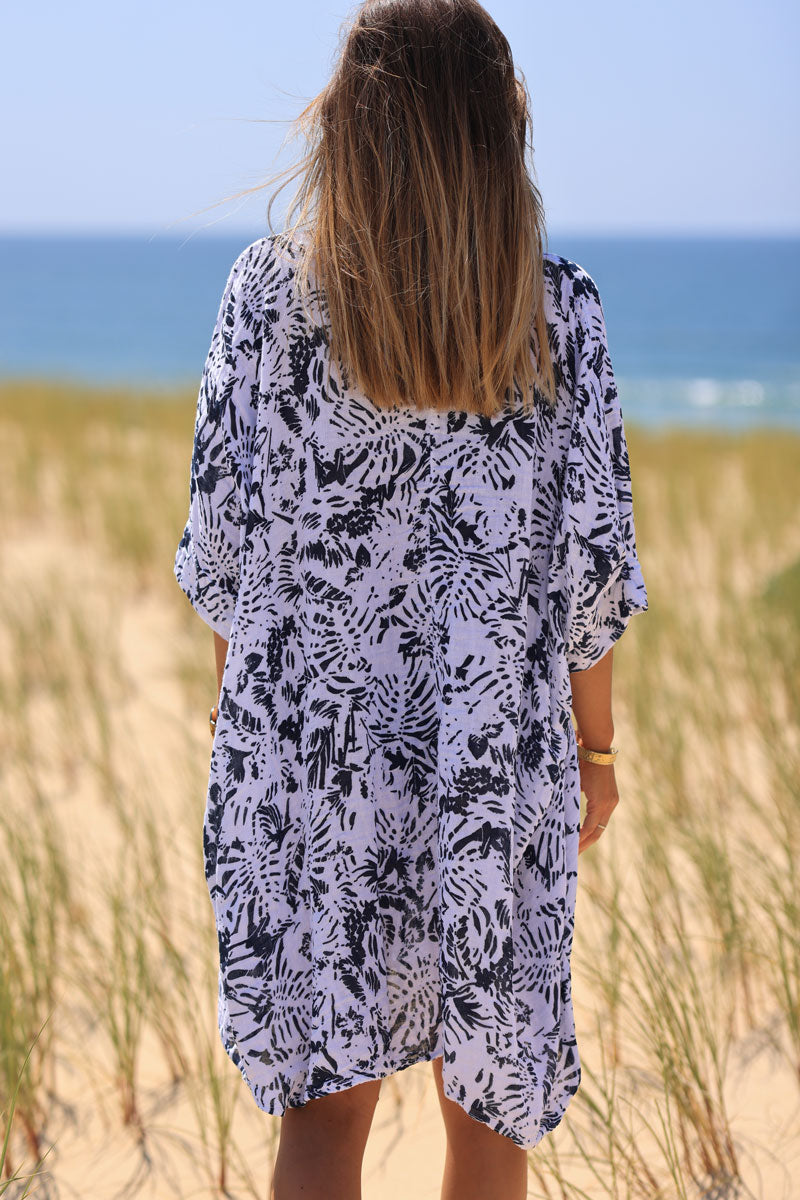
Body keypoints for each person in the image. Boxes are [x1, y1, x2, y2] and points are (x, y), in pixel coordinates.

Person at [173, 1, 649, 1196]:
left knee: (321, 1130)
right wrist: (594, 755)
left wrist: (248, 749)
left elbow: (227, 561)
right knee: (488, 1124)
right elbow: (587, 579)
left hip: (309, 768)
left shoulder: (264, 301)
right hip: (490, 772)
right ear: (499, 138)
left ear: (348, 130)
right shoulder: (558, 316)